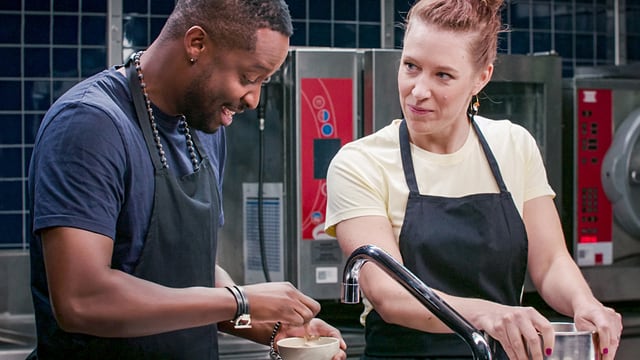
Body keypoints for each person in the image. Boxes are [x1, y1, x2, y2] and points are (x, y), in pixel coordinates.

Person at [27, 0, 347, 359]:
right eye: (248, 77)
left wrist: (271, 326)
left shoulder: (204, 128)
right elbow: (81, 300)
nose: (254, 99)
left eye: (263, 81)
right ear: (196, 44)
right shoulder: (90, 125)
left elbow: (191, 272)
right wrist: (240, 300)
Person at [324, 0, 622, 359]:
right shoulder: (360, 163)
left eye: (443, 75)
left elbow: (551, 262)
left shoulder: (514, 145)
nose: (418, 90)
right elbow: (390, 294)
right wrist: (491, 315)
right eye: (411, 66)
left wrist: (584, 303)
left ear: (482, 77)